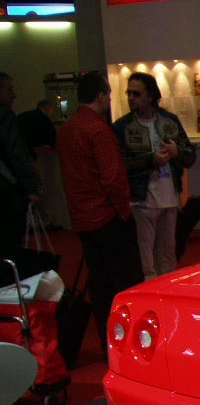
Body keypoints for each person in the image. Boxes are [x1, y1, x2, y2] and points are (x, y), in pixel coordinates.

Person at [56, 72, 144, 350]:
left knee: (100, 283)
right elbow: (113, 178)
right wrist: (123, 211)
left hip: (82, 219)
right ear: (100, 96)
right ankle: (127, 340)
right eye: (108, 94)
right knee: (125, 282)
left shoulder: (67, 129)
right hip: (107, 217)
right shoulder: (98, 130)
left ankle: (109, 340)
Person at [113, 72, 196, 280]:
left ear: (150, 95)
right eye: (129, 93)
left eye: (136, 93)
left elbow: (190, 156)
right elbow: (119, 165)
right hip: (141, 200)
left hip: (169, 197)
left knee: (168, 256)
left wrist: (177, 153)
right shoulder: (122, 127)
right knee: (145, 259)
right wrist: (151, 161)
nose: (131, 97)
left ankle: (167, 297)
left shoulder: (170, 120)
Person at [0, 72, 41, 275]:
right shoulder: (5, 115)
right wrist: (31, 188)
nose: (13, 95)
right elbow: (16, 153)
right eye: (9, 89)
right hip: (8, 196)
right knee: (10, 249)